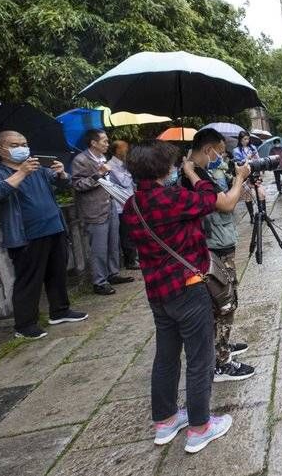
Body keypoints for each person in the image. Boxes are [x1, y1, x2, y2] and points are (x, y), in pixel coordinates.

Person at [122, 140, 251, 454]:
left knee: (165, 356)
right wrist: (194, 172)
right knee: (199, 358)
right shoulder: (174, 198)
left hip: (157, 291)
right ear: (163, 169)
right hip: (188, 287)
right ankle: (200, 427)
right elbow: (210, 198)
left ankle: (165, 421)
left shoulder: (132, 205)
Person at [0, 131, 88, 339]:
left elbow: (63, 183)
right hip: (26, 235)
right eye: (15, 144)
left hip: (54, 227)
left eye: (25, 143)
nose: (22, 148)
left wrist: (60, 173)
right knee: (29, 279)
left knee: (57, 273)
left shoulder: (37, 168)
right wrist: (21, 172)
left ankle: (60, 311)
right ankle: (25, 324)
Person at [182, 129, 255, 381]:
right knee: (224, 302)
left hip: (215, 241)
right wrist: (238, 179)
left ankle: (221, 346)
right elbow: (224, 203)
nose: (221, 158)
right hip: (213, 246)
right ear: (207, 150)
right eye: (219, 153)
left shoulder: (196, 172)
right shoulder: (193, 174)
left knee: (220, 302)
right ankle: (220, 362)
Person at [72, 129, 133, 295]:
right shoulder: (81, 160)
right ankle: (99, 282)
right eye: (104, 141)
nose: (107, 144)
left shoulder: (102, 158)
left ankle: (113, 273)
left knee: (114, 242)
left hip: (110, 205)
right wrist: (98, 175)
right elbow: (78, 185)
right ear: (93, 143)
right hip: (94, 209)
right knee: (98, 247)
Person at [108, 140, 139, 270]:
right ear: (116, 150)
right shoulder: (111, 165)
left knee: (132, 232)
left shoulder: (123, 165)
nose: (127, 150)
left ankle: (134, 258)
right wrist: (129, 171)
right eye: (124, 148)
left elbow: (132, 184)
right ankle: (130, 261)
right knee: (126, 234)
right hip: (120, 205)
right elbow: (124, 181)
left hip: (130, 201)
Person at [232, 131, 258, 223]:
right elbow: (238, 163)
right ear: (240, 140)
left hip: (254, 173)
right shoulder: (236, 151)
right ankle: (252, 217)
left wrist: (255, 157)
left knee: (261, 193)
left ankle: (263, 214)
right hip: (245, 175)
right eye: (244, 139)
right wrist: (248, 158)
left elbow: (258, 159)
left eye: (248, 138)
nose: (247, 141)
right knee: (248, 196)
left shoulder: (253, 147)